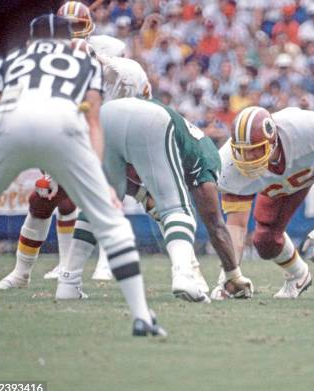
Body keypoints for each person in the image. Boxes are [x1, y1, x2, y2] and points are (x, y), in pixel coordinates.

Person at [0, 15, 165, 337]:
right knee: (108, 217)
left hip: (8, 127)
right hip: (61, 129)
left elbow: (0, 103)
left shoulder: (15, 60)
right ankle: (141, 313)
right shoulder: (86, 64)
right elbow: (89, 124)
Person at [56, 95, 253, 302]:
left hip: (107, 114)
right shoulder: (208, 160)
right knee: (178, 209)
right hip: (151, 120)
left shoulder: (190, 145)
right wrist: (234, 275)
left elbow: (124, 180)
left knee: (99, 205)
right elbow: (215, 225)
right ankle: (184, 276)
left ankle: (69, 282)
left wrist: (143, 195)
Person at [0, 1, 126, 290]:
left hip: (104, 133)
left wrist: (96, 59)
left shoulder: (104, 48)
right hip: (61, 132)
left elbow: (119, 71)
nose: (74, 33)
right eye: (69, 27)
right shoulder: (47, 58)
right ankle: (22, 273)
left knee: (99, 198)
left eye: (79, 26)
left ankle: (103, 262)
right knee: (43, 198)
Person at [219, 107, 314, 299]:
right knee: (265, 240)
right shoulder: (228, 165)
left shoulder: (308, 132)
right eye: (242, 152)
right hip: (291, 177)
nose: (249, 159)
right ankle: (299, 275)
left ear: (272, 142)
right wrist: (229, 277)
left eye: (256, 151)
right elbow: (236, 225)